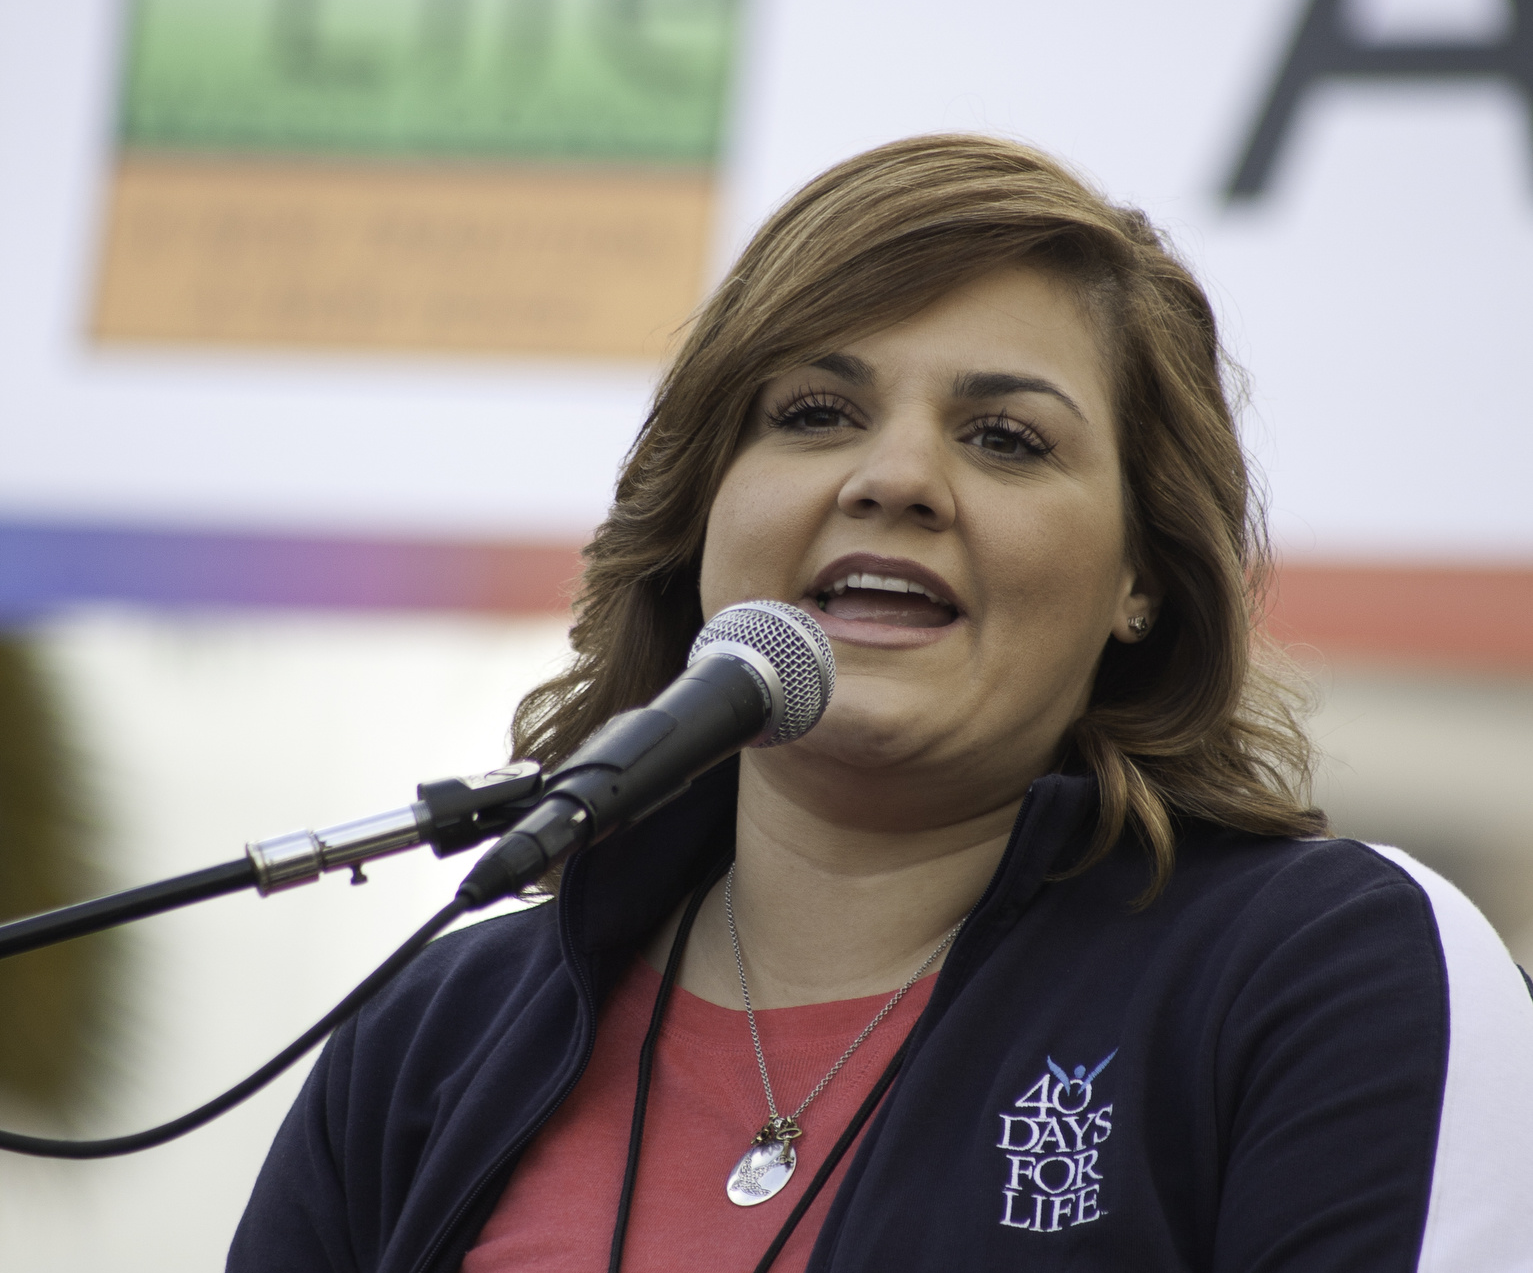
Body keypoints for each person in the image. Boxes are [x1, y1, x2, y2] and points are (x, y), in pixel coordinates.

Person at [228, 135, 1533, 1273]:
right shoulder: (433, 1037)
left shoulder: (1329, 972)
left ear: (1142, 577)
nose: (896, 476)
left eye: (1006, 439)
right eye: (813, 413)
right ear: (699, 518)